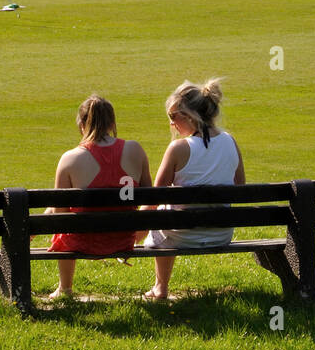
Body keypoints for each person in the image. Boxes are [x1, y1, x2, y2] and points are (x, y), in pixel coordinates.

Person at [142, 79, 245, 301]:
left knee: (163, 217)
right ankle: (160, 286)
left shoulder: (178, 149)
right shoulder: (230, 142)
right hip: (221, 233)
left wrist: (130, 229)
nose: (171, 124)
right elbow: (240, 187)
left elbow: (154, 197)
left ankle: (161, 287)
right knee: (168, 216)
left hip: (182, 236)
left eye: (173, 117)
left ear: (190, 115)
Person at [44, 95, 152, 299]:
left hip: (81, 241)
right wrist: (140, 228)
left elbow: (60, 216)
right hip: (123, 239)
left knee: (63, 232)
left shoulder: (70, 158)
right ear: (112, 123)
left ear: (82, 124)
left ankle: (64, 288)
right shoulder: (135, 150)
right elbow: (150, 196)